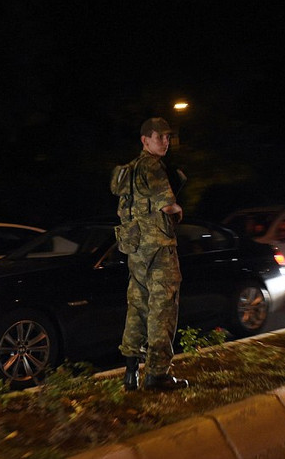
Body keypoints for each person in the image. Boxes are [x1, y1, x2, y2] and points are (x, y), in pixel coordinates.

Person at [119, 117, 189, 391]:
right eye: (159, 137)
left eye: (168, 137)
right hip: (159, 249)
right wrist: (178, 210)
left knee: (137, 307)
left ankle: (130, 373)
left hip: (136, 249)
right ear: (145, 140)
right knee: (163, 309)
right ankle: (157, 374)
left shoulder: (129, 170)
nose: (165, 142)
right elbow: (166, 205)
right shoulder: (153, 166)